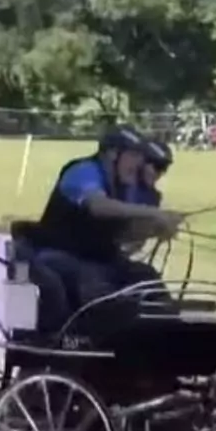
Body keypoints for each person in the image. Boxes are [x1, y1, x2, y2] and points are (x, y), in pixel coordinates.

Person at [24, 124, 183, 332]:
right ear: (111, 154)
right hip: (57, 255)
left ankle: (169, 335)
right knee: (95, 282)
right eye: (133, 156)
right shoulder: (83, 170)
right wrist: (153, 213)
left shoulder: (122, 185)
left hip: (99, 259)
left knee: (145, 275)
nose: (139, 163)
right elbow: (99, 207)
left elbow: (126, 240)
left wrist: (155, 230)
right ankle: (106, 341)